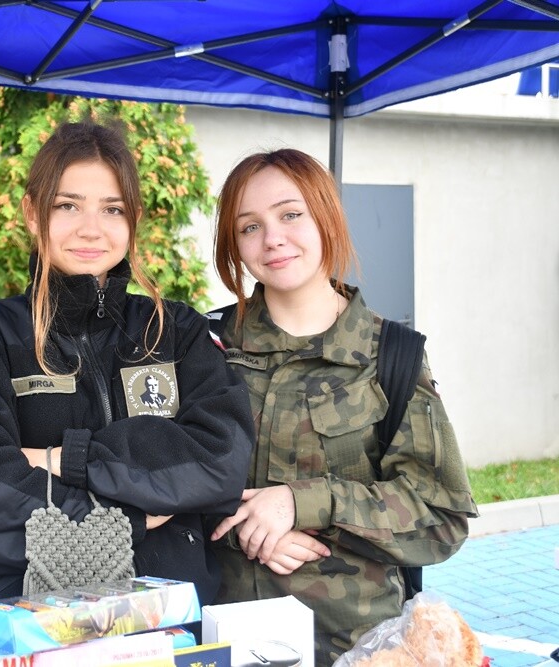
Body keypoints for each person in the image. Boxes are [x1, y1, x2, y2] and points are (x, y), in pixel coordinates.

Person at [0, 121, 255, 630]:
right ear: (32, 213)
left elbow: (219, 462)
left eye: (112, 209)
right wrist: (132, 519)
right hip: (34, 634)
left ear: (134, 218)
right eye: (68, 206)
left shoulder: (178, 332)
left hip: (172, 630)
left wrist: (65, 459)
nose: (90, 228)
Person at [205, 148, 478, 666]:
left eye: (291, 214)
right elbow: (160, 478)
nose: (272, 238)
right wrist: (247, 528)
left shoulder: (390, 355)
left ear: (326, 218)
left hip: (356, 647)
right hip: (221, 636)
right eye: (249, 226)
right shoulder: (207, 345)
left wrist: (303, 503)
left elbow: (441, 516)